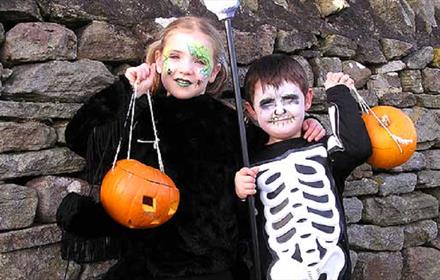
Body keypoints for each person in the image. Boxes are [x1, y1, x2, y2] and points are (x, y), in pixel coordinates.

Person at [56, 17, 325, 280]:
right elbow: (80, 137)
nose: (186, 69)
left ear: (215, 72)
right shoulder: (139, 114)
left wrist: (306, 125)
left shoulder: (229, 124)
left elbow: (273, 142)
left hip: (211, 267)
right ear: (159, 61)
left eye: (199, 61)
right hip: (146, 262)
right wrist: (126, 89)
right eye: (175, 57)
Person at [235, 54, 372, 280]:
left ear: (307, 100)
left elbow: (358, 148)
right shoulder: (250, 161)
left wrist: (338, 92)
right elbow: (240, 222)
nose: (280, 110)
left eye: (290, 99)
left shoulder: (323, 150)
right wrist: (240, 194)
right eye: (267, 103)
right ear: (250, 110)